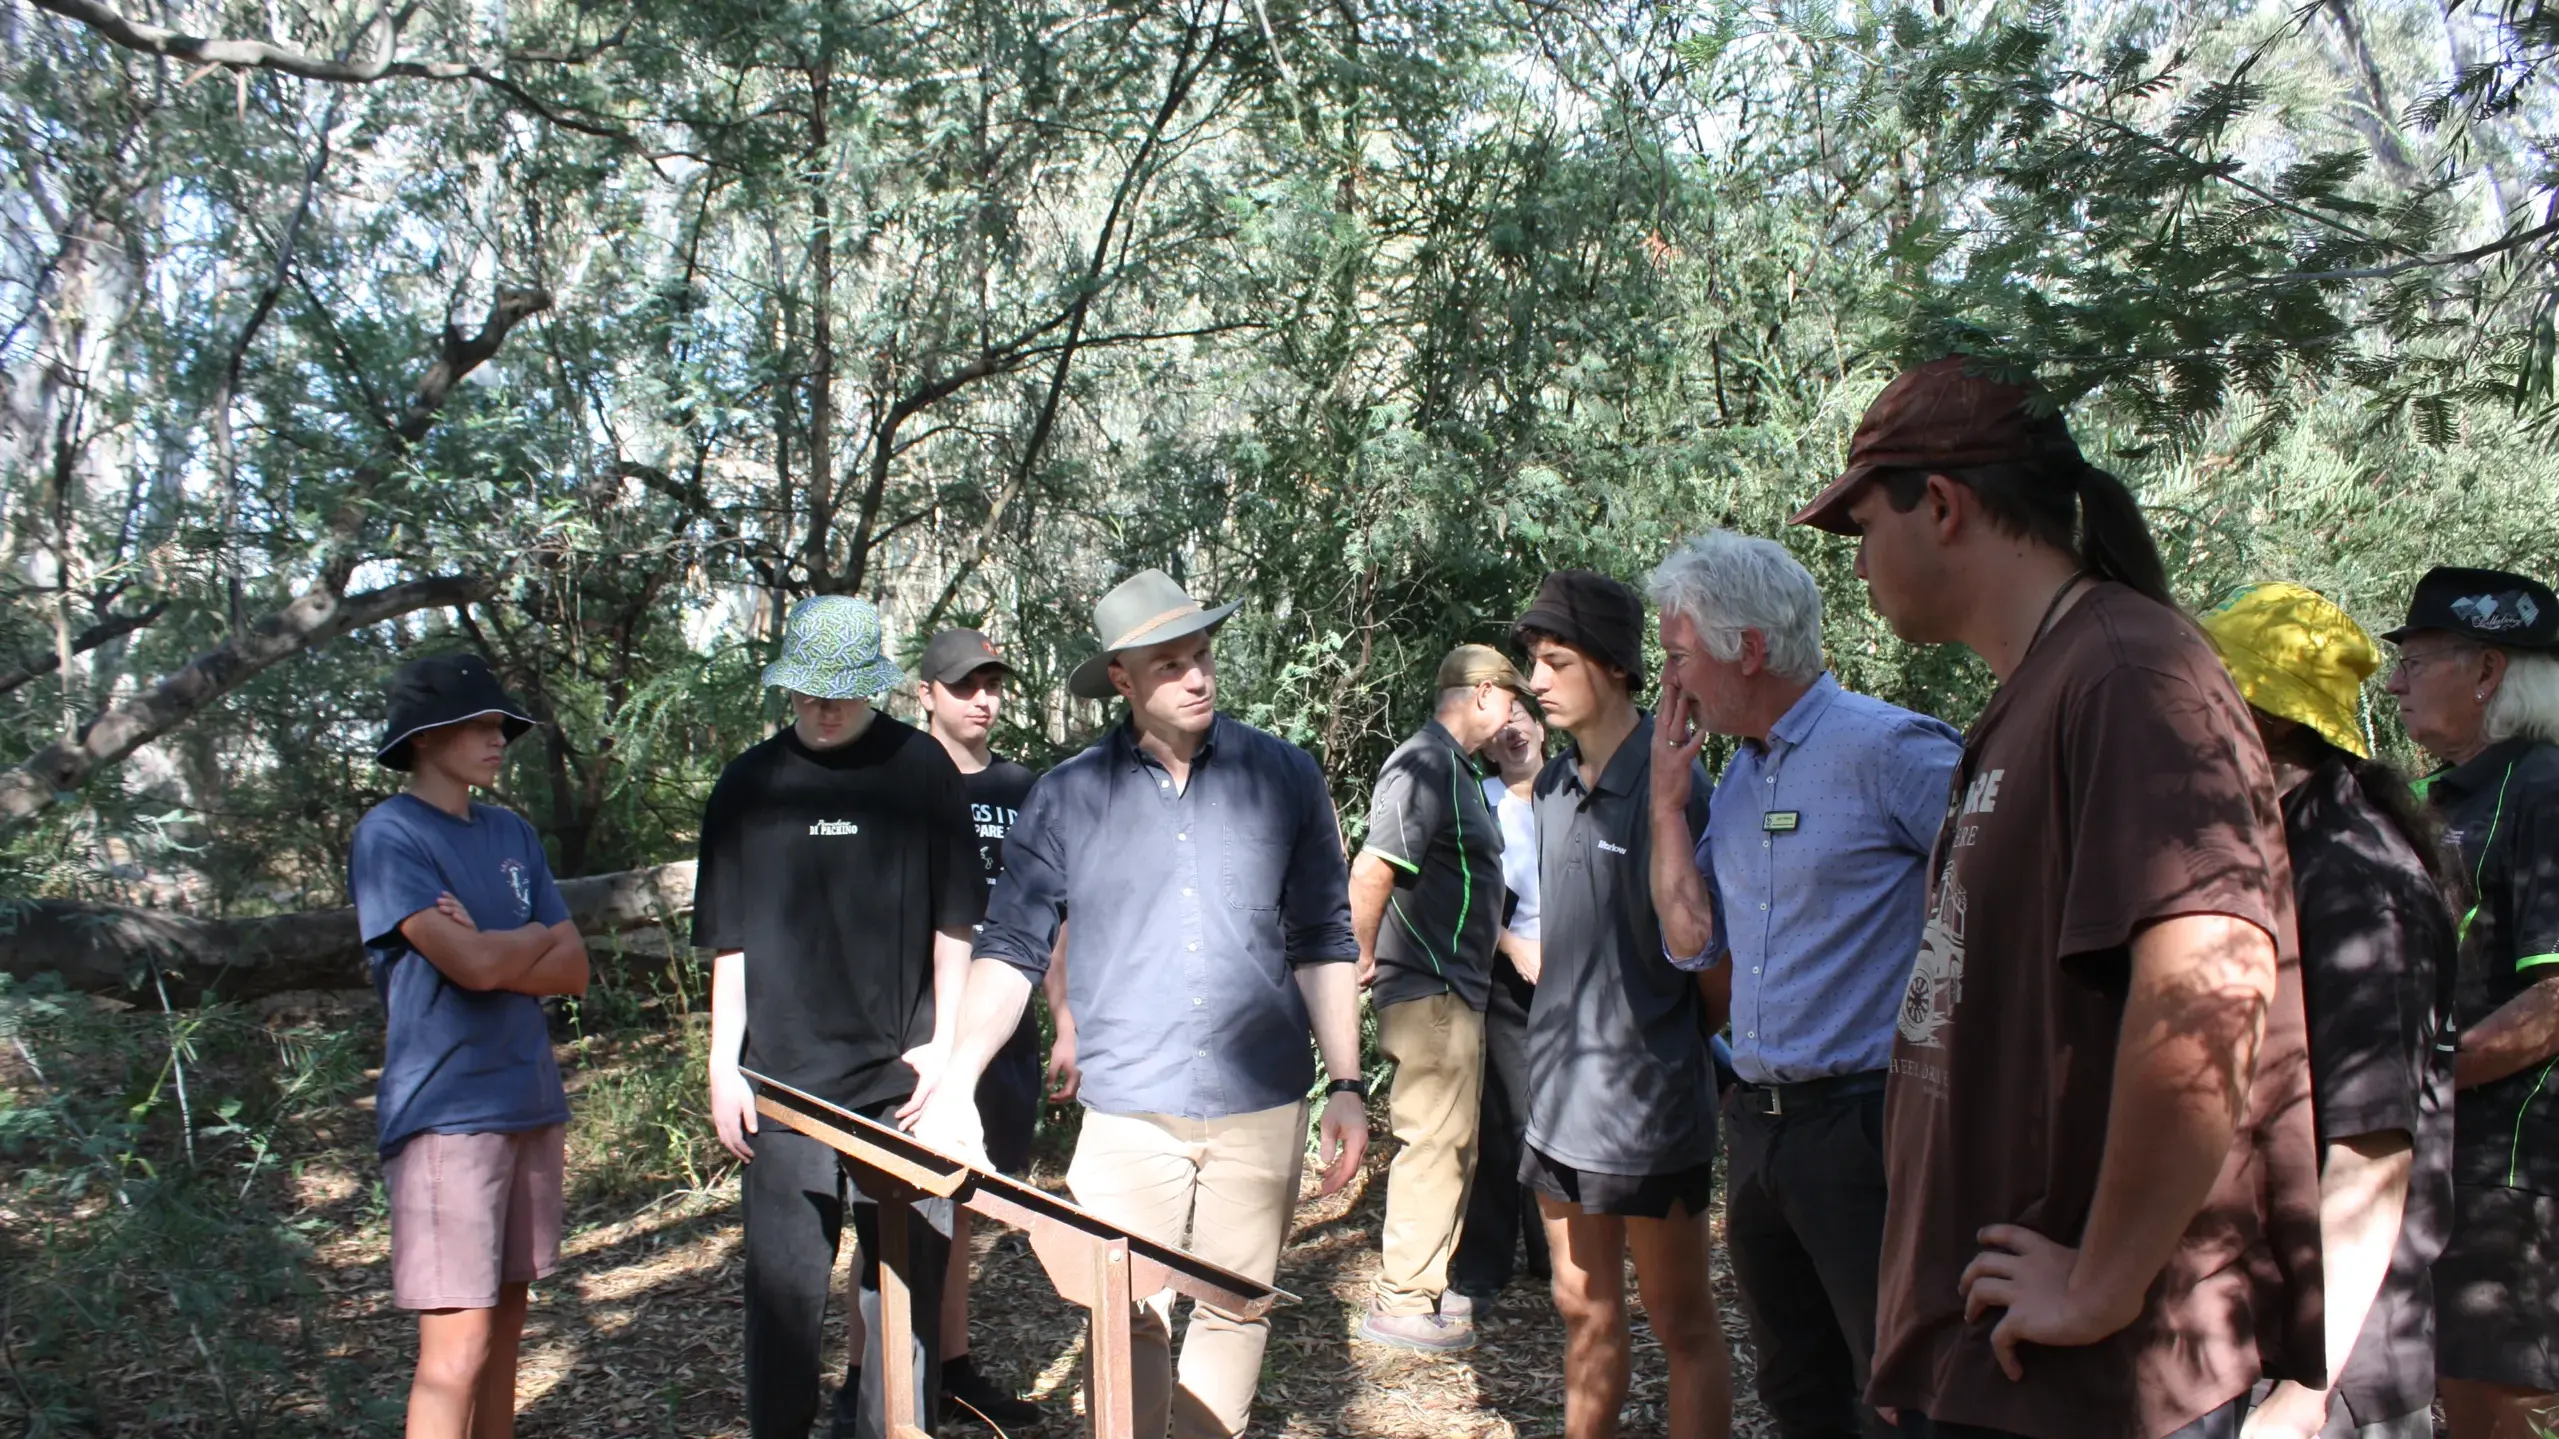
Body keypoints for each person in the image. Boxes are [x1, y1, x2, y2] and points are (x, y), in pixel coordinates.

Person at [1789, 355, 2325, 1439]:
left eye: (1860, 528)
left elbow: (2216, 975)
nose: (1856, 567)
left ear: (1940, 504)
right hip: (2006, 1363)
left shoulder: (2130, 674)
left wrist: (2104, 1280)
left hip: (2095, 1382)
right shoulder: (2047, 682)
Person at [904, 568, 1370, 1439]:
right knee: (1124, 1313)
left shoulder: (1285, 775)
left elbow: (1323, 936)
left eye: (1201, 655)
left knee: (1235, 1310)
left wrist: (1346, 1082)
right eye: (1168, 664)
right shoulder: (1067, 795)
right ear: (1121, 679)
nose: (1196, 676)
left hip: (1261, 1099)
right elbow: (1010, 947)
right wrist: (959, 1077)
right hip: (1125, 1108)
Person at [1643, 530, 1963, 1439]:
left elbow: (2008, 896)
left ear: (1745, 648)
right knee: (1794, 1387)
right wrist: (1667, 803)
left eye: (1677, 656)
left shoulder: (1892, 749)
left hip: (1869, 1124)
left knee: (1897, 1391)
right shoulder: (1737, 777)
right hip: (1758, 1128)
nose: (1671, 681)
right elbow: (1693, 940)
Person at [694, 596, 983, 1439]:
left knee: (904, 1291)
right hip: (782, 1081)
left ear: (877, 688)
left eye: (842, 692)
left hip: (904, 1079)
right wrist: (723, 1062)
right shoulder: (750, 783)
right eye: (809, 692)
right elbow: (731, 938)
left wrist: (944, 1047)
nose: (823, 708)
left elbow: (956, 918)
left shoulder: (920, 768)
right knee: (783, 1298)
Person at [2190, 584, 2460, 1439]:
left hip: (2340, 1373)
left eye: (2201, 702)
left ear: (2260, 722)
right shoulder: (2282, 843)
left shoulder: (2352, 881)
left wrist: (2303, 1396)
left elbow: (2371, 1150)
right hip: (2263, 1334)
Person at [1512, 568, 1734, 1439]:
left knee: (1680, 1321)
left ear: (1612, 665)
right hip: (1558, 1105)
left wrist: (1655, 1044)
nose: (1533, 680)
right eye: (1532, 659)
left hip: (1649, 1112)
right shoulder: (1556, 788)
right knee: (1583, 1313)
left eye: (1553, 659)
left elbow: (1715, 979)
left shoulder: (1677, 784)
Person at [350, 652, 591, 1439]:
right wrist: (523, 941)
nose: (497, 739)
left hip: (528, 1097)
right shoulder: (390, 834)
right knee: (454, 1350)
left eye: (501, 725)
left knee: (506, 1338)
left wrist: (497, 942)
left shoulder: (511, 830)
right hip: (446, 1114)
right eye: (479, 724)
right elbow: (474, 968)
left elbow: (575, 968)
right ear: (423, 739)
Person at [828, 628, 1045, 1435]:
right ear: (924, 693)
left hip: (1003, 1031)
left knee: (964, 1208)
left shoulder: (1024, 788)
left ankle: (949, 1369)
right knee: (889, 1210)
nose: (982, 697)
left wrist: (1070, 1024)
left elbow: (1046, 911)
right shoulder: (887, 779)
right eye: (963, 684)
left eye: (992, 681)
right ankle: (863, 1379)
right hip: (911, 1034)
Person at [2380, 564, 2559, 1439]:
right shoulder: (2432, 796)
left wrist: (2417, 1087)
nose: (2392, 681)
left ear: (2487, 670)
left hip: (2506, 1172)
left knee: (2488, 1408)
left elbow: (2555, 1000)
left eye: (2414, 659)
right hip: (2434, 1156)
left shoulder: (2543, 788)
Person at [1350, 643, 1532, 1351]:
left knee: (1454, 1141)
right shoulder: (1424, 763)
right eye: (1510, 700)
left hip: (1457, 989)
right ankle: (1401, 1298)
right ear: (1481, 693)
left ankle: (1427, 1285)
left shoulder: (1454, 768)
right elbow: (1373, 866)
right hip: (1429, 985)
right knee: (1433, 1139)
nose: (1512, 716)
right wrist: (1358, 955)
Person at [1447, 693, 1556, 1305]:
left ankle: (1553, 1254)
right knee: (1506, 1116)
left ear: (1541, 728)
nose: (1512, 732)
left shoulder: (1575, 791)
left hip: (1574, 977)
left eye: (1522, 719)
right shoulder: (1477, 803)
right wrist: (1512, 945)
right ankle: (1485, 1265)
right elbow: (1462, 895)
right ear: (1485, 743)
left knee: (1561, 1114)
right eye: (1500, 725)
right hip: (1505, 974)